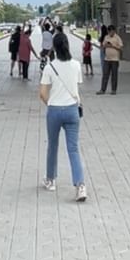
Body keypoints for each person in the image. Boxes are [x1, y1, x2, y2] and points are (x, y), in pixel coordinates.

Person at [39, 30, 86, 202]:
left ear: (54, 48)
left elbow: (42, 93)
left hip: (54, 110)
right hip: (72, 110)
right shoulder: (76, 65)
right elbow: (76, 87)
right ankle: (80, 186)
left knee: (52, 145)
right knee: (73, 149)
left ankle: (51, 180)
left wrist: (52, 104)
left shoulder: (50, 67)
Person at [96, 24, 123, 94]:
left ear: (114, 31)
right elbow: (103, 45)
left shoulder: (117, 38)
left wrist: (113, 46)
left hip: (115, 59)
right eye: (109, 32)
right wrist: (106, 45)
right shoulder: (106, 37)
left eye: (111, 32)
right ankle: (102, 89)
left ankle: (113, 90)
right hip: (107, 59)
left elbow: (120, 48)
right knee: (105, 75)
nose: (110, 33)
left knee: (114, 75)